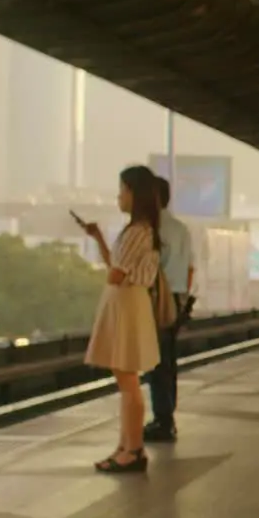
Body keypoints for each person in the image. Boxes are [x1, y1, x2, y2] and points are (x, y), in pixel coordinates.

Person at [82, 165, 163, 473]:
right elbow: (116, 266)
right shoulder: (141, 230)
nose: (119, 196)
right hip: (128, 304)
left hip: (126, 305)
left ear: (134, 193)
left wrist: (110, 257)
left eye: (122, 190)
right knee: (126, 379)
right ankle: (125, 446)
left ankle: (133, 449)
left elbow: (116, 273)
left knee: (128, 381)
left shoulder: (137, 231)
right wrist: (100, 238)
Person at [145, 176, 194, 443]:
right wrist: (182, 300)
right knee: (168, 360)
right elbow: (190, 267)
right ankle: (167, 416)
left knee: (156, 361)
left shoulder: (152, 227)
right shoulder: (181, 228)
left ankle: (163, 419)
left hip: (157, 300)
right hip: (177, 299)